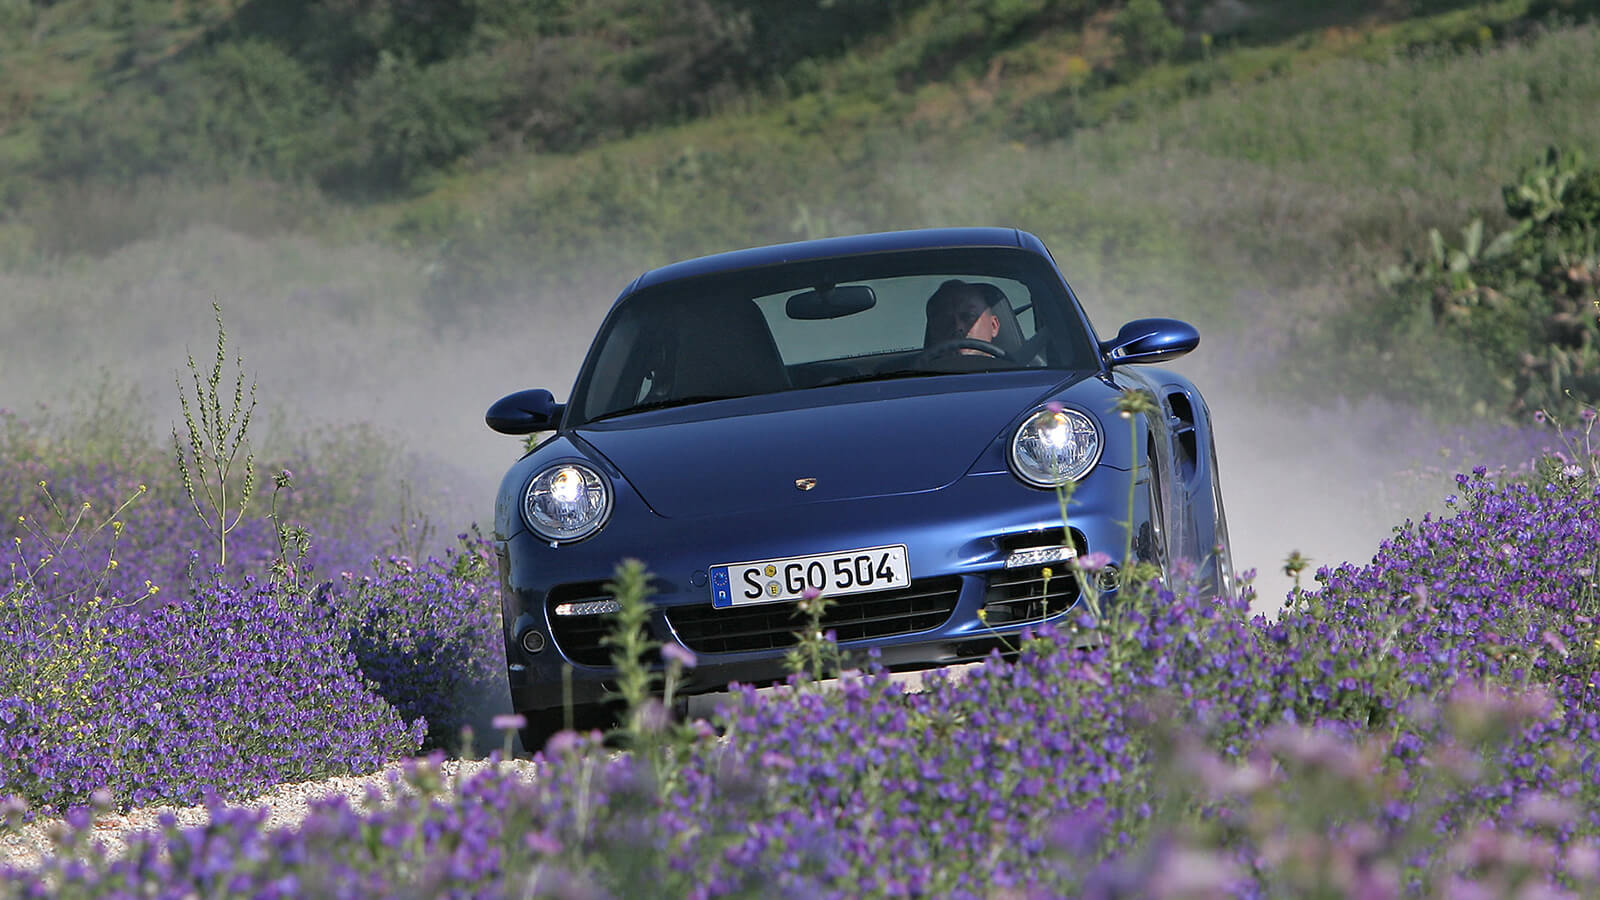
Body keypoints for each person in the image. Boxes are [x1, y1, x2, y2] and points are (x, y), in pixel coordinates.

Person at [922, 279, 1006, 357]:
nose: (957, 327)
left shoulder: (1011, 367)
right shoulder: (917, 368)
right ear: (933, 331)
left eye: (969, 316)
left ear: (993, 326)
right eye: (945, 320)